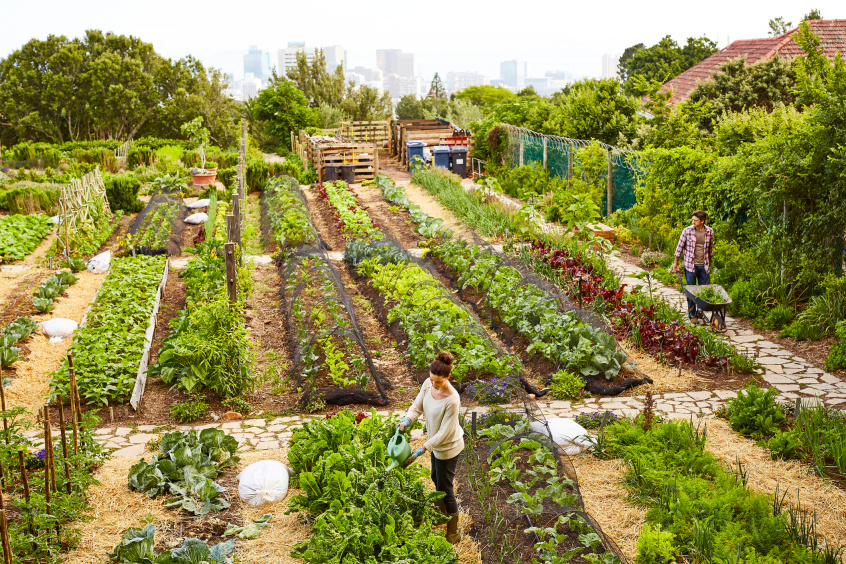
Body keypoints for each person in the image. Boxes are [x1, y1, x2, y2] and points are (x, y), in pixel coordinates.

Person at [398, 351, 464, 544]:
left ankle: (453, 532)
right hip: (435, 445)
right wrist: (407, 420)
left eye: (439, 382)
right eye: (432, 380)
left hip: (448, 447)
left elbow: (444, 433)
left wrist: (422, 448)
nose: (434, 385)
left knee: (445, 486)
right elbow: (417, 406)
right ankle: (441, 511)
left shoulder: (452, 399)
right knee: (435, 477)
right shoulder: (428, 384)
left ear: (448, 377)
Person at [672, 210, 714, 323]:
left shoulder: (710, 231)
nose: (693, 222)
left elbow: (710, 250)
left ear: (702, 221)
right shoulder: (687, 231)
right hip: (690, 266)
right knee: (691, 290)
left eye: (696, 220)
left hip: (704, 266)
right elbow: (679, 248)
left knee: (704, 290)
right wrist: (675, 264)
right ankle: (692, 315)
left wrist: (709, 264)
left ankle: (700, 310)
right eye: (693, 220)